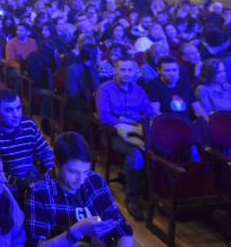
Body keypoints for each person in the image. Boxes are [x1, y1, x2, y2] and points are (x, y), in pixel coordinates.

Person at [26, 132, 134, 247]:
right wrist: (77, 231)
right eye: (73, 172)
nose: (81, 180)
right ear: (56, 163)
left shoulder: (94, 180)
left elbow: (121, 227)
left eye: (85, 172)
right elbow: (37, 244)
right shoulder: (38, 191)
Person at [95, 56, 155, 220]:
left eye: (130, 70)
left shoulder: (139, 90)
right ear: (116, 70)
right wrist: (124, 121)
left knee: (158, 150)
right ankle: (132, 197)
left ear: (135, 72)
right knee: (136, 155)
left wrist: (149, 119)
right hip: (114, 134)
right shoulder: (105, 89)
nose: (126, 73)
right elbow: (105, 117)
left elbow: (149, 111)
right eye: (122, 69)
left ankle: (151, 191)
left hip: (138, 130)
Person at [0, 88, 54, 189]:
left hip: (33, 180)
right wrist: (18, 183)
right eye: (9, 110)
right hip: (6, 185)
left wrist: (51, 173)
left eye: (18, 108)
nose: (16, 115)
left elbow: (45, 152)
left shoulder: (28, 125)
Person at [145, 55, 207, 121]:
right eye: (167, 71)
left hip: (187, 124)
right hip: (167, 124)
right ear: (159, 71)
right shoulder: (154, 85)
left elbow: (198, 109)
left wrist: (207, 122)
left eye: (174, 70)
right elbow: (155, 112)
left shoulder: (185, 84)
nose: (172, 74)